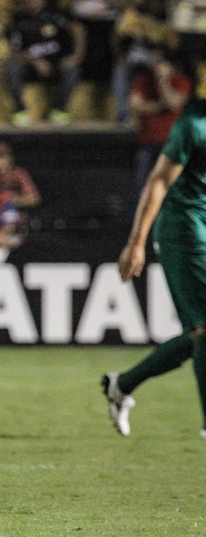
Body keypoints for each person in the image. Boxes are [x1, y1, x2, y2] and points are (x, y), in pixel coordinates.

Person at [107, 98, 206, 440]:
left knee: (197, 334)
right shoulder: (193, 125)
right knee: (204, 327)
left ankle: (123, 385)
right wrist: (136, 242)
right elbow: (159, 181)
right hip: (184, 227)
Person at [5, 0, 87, 126]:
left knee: (72, 69)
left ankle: (60, 110)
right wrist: (35, 62)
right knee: (12, 66)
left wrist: (76, 56)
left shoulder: (56, 16)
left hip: (56, 63)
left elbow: (78, 29)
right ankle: (20, 110)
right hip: (30, 65)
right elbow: (14, 50)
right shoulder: (19, 19)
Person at [128, 50, 191, 210]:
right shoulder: (143, 80)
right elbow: (136, 106)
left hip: (171, 144)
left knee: (172, 189)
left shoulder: (179, 81)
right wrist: (159, 106)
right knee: (142, 188)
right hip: (148, 142)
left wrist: (163, 81)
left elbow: (173, 103)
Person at [111, 0, 179, 122]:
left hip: (158, 59)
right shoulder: (135, 13)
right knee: (120, 70)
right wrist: (121, 56)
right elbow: (117, 37)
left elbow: (173, 44)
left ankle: (166, 112)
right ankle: (123, 113)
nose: (154, 4)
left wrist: (162, 57)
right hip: (135, 58)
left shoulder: (168, 16)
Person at [0, 140, 41, 209]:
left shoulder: (18, 174)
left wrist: (11, 200)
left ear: (10, 159)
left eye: (2, 158)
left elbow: (34, 199)